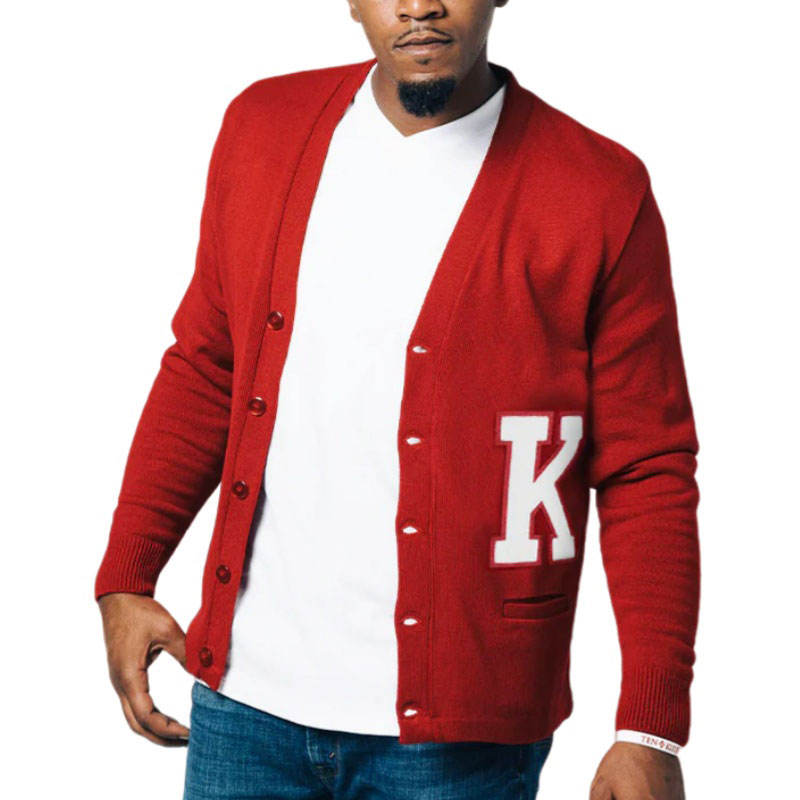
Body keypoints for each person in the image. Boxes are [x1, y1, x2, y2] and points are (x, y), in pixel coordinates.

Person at [95, 2, 700, 798]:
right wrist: (128, 573)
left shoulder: (596, 189)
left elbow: (646, 467)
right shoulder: (264, 129)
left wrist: (649, 727)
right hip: (246, 704)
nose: (419, 5)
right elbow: (208, 365)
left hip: (463, 735)